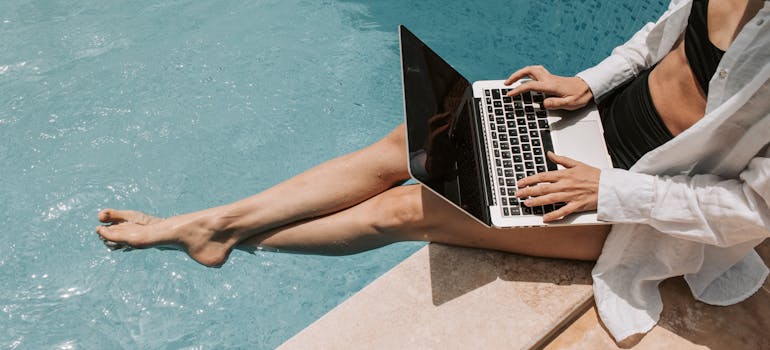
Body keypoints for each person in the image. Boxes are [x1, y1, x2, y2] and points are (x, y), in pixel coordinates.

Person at [96, 0, 770, 342]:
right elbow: (659, 36)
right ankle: (211, 225)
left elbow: (755, 211)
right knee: (412, 140)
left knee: (409, 210)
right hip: (590, 126)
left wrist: (607, 189)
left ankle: (221, 238)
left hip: (635, 202)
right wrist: (589, 83)